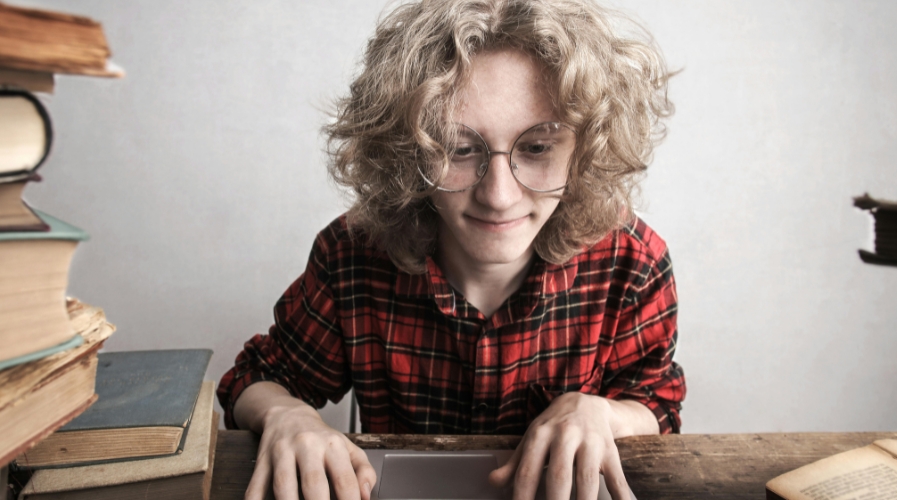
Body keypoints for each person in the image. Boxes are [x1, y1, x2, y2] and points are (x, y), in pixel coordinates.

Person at [217, 0, 686, 499]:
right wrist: (284, 413)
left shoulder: (632, 264)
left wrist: (603, 412)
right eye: (459, 149)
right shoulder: (351, 256)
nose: (499, 195)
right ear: (406, 149)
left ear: (587, 146)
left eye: (538, 148)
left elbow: (657, 402)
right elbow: (257, 377)